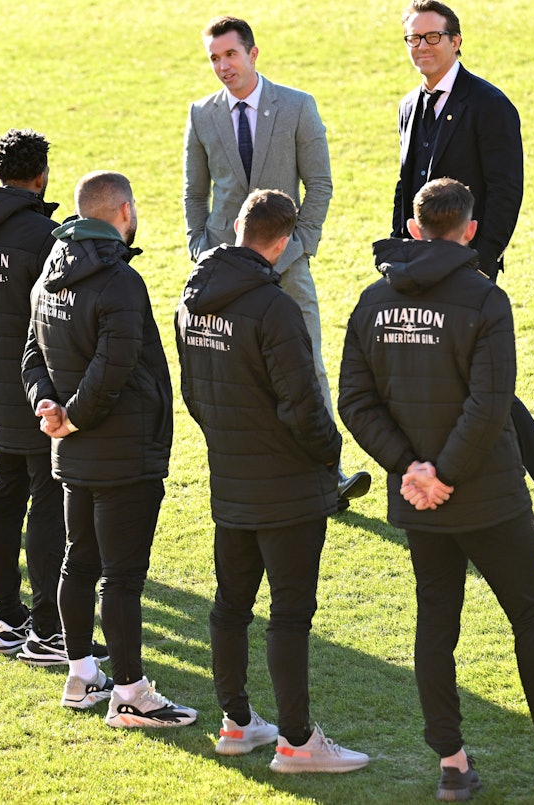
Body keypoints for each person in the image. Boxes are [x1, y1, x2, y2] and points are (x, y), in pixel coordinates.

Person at [340, 178, 534, 798]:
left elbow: (355, 401)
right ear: (469, 230)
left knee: (435, 625)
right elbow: (491, 404)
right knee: (529, 615)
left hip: (418, 500)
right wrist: (444, 474)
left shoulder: (371, 302)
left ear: (414, 229)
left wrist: (410, 470)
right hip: (488, 496)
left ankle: (452, 766)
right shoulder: (484, 300)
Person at [176, 189, 369, 773]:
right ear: (283, 243)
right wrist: (329, 452)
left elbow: (194, 391)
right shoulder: (274, 306)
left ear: (238, 226)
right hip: (287, 484)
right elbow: (304, 402)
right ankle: (296, 741)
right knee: (289, 614)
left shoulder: (191, 298)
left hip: (230, 475)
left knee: (231, 604)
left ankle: (236, 724)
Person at [389, 0, 534, 537]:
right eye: (413, 39)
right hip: (420, 262)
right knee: (460, 374)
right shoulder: (409, 105)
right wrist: (396, 248)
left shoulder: (489, 104)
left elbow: (506, 192)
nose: (421, 47)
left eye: (431, 37)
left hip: (467, 265)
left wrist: (482, 263)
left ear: (456, 41)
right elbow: (407, 187)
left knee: (473, 374)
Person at [23, 171, 194, 727]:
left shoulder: (49, 274)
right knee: (121, 577)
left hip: (73, 452)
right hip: (121, 451)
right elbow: (114, 367)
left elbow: (31, 356)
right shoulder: (120, 281)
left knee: (79, 561)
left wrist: (47, 405)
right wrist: (69, 416)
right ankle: (130, 692)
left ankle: (81, 674)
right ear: (123, 211)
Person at [183, 15, 369, 506]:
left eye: (230, 55)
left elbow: (320, 184)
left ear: (252, 53)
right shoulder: (201, 114)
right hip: (225, 271)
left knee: (306, 359)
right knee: (237, 371)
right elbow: (194, 193)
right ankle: (260, 470)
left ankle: (330, 474)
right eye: (214, 59)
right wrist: (201, 250)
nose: (223, 66)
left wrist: (300, 245)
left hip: (287, 266)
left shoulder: (297, 106)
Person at [0, 130, 106, 662]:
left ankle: (8, 619)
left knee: (6, 493)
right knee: (46, 503)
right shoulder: (43, 236)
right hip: (38, 383)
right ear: (41, 174)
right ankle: (46, 628)